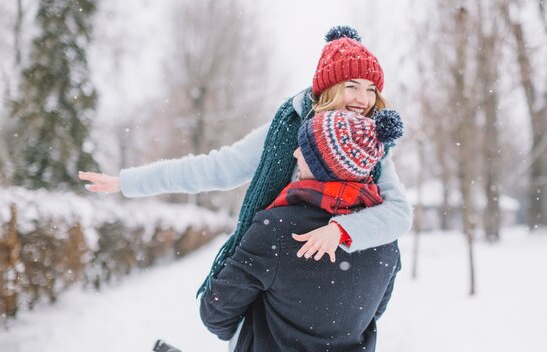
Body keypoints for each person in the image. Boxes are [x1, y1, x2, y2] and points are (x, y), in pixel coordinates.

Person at [78, 25, 411, 295]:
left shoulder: (375, 147)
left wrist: (341, 230)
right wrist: (128, 182)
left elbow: (398, 214)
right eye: (351, 85)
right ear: (328, 88)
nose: (363, 99)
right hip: (277, 270)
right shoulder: (287, 129)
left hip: (343, 284)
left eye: (371, 89)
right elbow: (216, 169)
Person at [199, 107, 403, 351]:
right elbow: (373, 313)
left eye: (305, 149)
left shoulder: (275, 228)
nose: (296, 153)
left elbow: (216, 311)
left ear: (324, 166)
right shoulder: (385, 238)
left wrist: (255, 331)